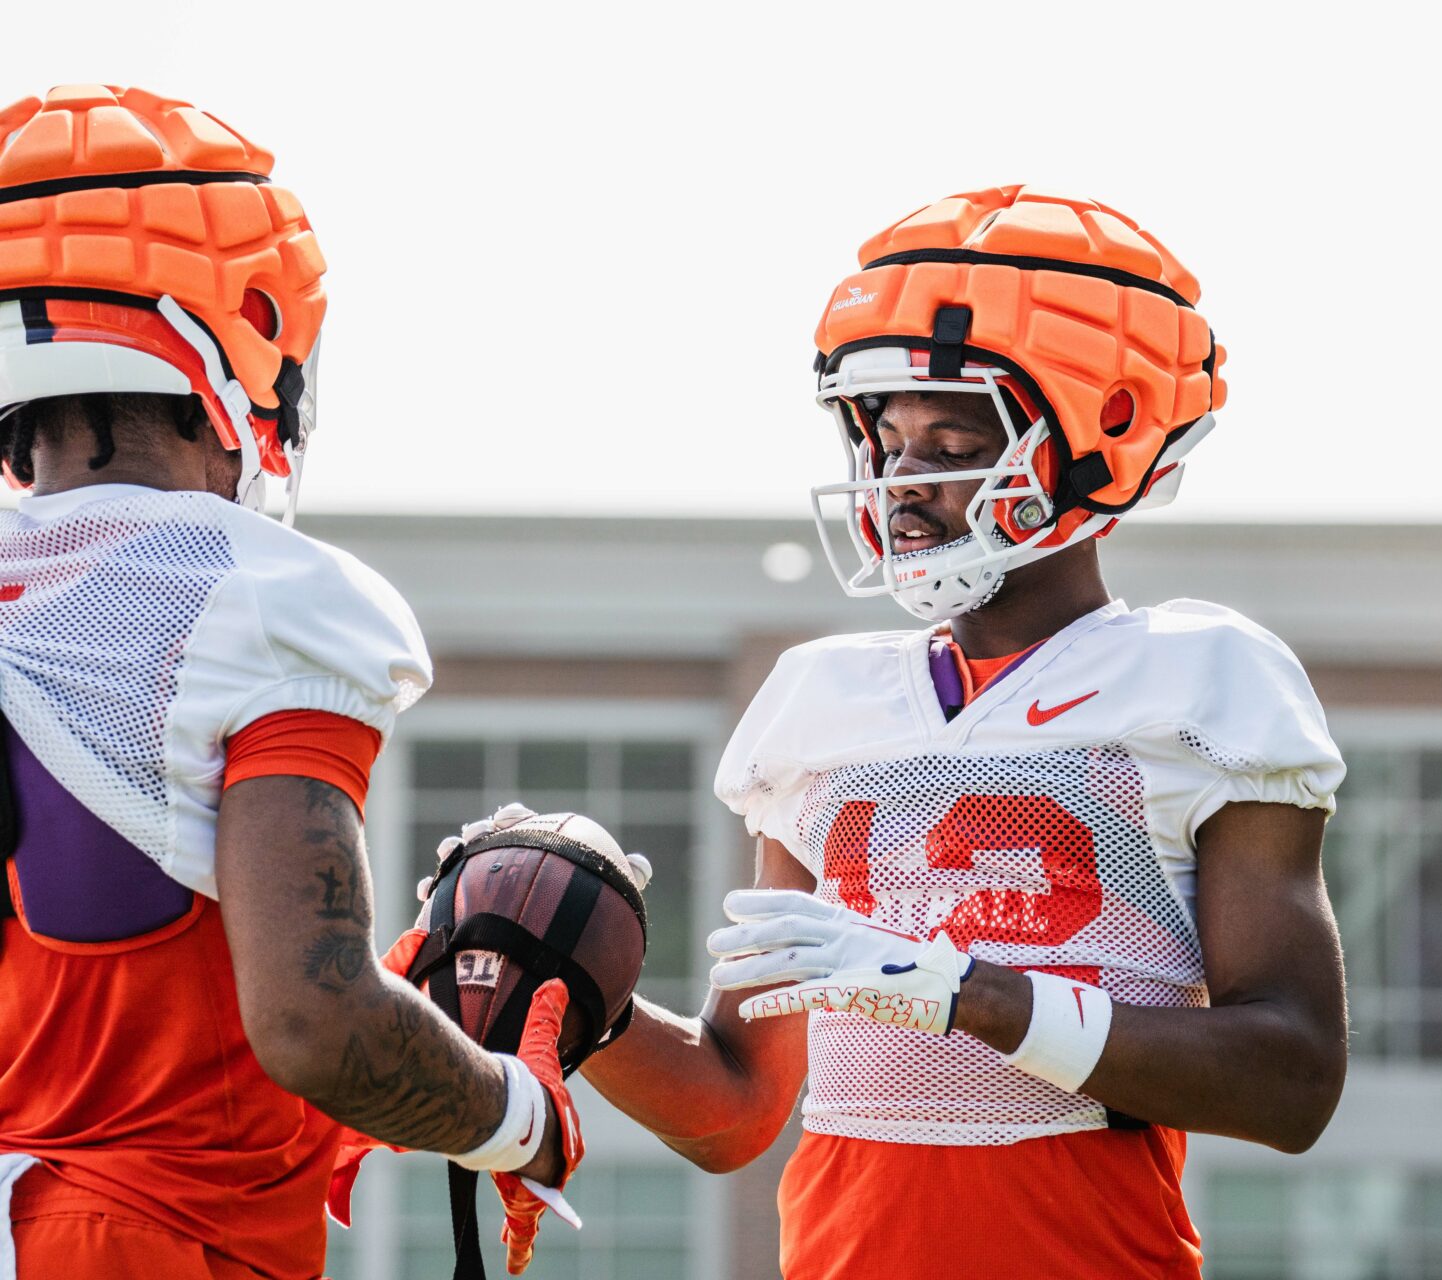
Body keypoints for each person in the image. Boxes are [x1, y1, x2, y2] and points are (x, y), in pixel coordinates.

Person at [579, 186, 1351, 1278]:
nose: (903, 482)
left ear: (1096, 443)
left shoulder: (1200, 679)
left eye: (949, 441)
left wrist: (967, 993)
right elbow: (739, 1105)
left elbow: (1293, 1080)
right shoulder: (822, 701)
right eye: (887, 441)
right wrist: (588, 1002)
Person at [0, 85, 579, 1280]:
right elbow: (315, 1021)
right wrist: (520, 1115)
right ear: (249, 330)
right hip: (154, 1237)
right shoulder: (260, 593)